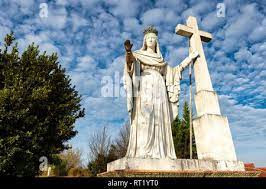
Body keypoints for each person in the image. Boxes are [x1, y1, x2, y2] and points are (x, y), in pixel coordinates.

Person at [123, 26, 199, 159]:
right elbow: (130, 67)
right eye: (148, 38)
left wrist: (190, 58)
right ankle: (143, 151)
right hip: (145, 87)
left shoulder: (161, 61)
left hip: (159, 88)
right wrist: (128, 53)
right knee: (146, 117)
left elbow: (175, 71)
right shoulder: (137, 55)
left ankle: (160, 150)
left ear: (157, 41)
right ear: (144, 41)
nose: (151, 40)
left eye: (153, 38)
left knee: (159, 118)